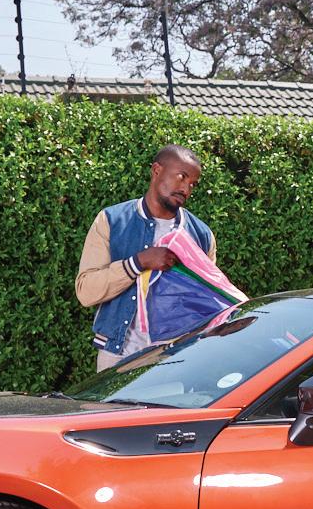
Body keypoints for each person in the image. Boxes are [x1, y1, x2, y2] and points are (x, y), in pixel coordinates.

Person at [75, 144, 217, 371]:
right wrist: (137, 263)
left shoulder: (202, 235)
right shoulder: (112, 220)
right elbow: (86, 292)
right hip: (117, 356)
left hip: (176, 360)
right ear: (156, 170)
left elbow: (206, 303)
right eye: (181, 177)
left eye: (193, 184)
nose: (186, 189)